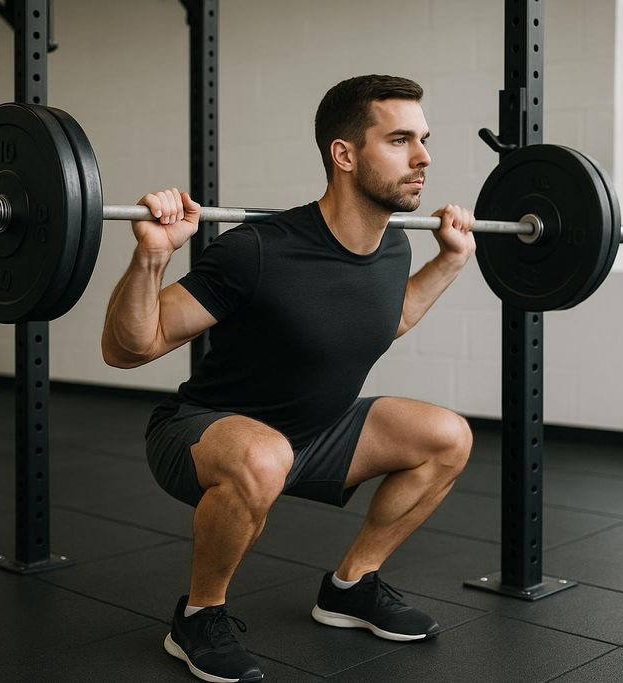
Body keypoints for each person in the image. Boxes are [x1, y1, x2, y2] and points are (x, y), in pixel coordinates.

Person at [102, 75, 476, 683]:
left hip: (316, 434)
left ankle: (350, 589)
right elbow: (128, 350)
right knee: (264, 456)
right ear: (345, 154)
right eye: (401, 139)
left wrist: (450, 262)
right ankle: (198, 618)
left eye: (424, 139)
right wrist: (152, 255)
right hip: (201, 433)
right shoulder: (257, 251)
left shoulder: (393, 247)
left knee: (448, 436)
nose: (424, 157)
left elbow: (388, 316)